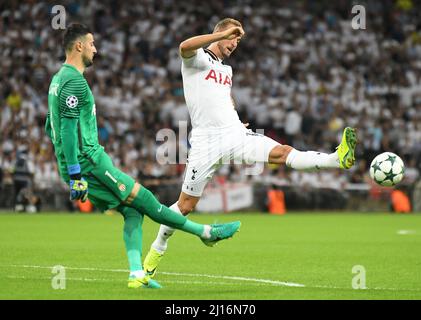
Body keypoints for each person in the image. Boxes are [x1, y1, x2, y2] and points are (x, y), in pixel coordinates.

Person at [144, 18, 357, 277]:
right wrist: (218, 35)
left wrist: (234, 116)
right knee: (185, 205)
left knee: (281, 152)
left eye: (238, 40)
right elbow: (183, 45)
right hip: (205, 142)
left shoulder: (226, 70)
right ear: (219, 33)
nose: (235, 43)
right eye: (233, 37)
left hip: (234, 134)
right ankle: (158, 247)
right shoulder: (196, 59)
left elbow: (224, 98)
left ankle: (337, 159)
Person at [45, 23, 241, 289]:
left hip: (73, 165)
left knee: (132, 212)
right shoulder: (74, 81)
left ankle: (137, 274)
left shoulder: (57, 80)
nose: (96, 49)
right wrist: (78, 174)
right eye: (91, 44)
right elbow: (67, 130)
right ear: (78, 46)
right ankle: (206, 233)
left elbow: (50, 125)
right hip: (89, 162)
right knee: (148, 201)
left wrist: (68, 168)